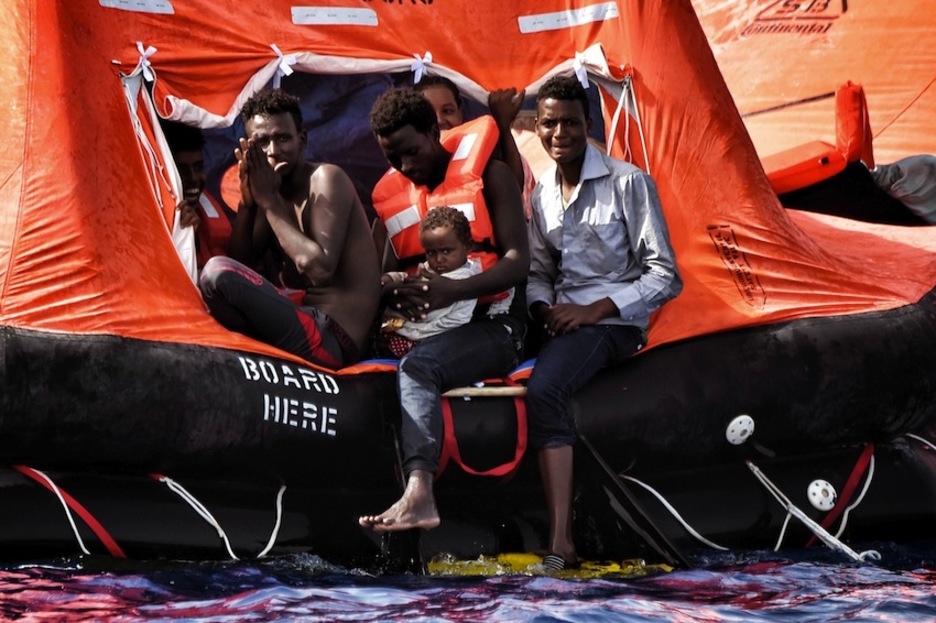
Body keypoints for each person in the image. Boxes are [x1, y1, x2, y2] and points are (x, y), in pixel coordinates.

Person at [524, 75, 683, 570]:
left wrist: (597, 310)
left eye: (570, 122)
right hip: (562, 320)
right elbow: (537, 273)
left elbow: (666, 276)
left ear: (587, 124)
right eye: (549, 123)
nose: (559, 133)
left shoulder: (628, 181)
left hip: (613, 327)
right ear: (537, 126)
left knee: (544, 391)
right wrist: (539, 310)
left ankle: (560, 541)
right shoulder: (540, 195)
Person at [359, 87, 528, 532]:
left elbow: (518, 261)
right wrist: (398, 295)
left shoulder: (492, 177)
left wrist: (457, 291)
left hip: (496, 325)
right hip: (429, 326)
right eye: (393, 158)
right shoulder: (394, 201)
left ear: (435, 132)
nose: (405, 167)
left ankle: (420, 494)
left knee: (417, 369)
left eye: (412, 152)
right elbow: (385, 277)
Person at [198, 89, 380, 368]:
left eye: (283, 138)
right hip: (302, 322)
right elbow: (242, 266)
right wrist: (249, 205)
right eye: (262, 142)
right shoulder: (270, 192)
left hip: (333, 338)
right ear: (249, 147)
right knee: (213, 282)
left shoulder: (326, 178)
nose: (274, 151)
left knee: (216, 271)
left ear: (302, 140)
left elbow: (318, 269)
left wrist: (269, 202)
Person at [416, 76, 536, 220]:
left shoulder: (486, 163)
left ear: (460, 113)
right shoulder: (408, 168)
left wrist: (503, 127)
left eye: (448, 111)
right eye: (429, 113)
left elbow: (513, 191)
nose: (439, 120)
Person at [380, 206, 482, 358]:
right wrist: (391, 278)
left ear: (467, 247)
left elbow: (448, 321)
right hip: (408, 332)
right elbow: (409, 278)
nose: (439, 259)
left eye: (447, 251)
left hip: (435, 339)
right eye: (431, 253)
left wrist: (408, 331)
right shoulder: (429, 269)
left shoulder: (466, 279)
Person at [161, 119, 237, 270]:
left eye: (198, 167)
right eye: (182, 171)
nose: (194, 178)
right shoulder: (155, 223)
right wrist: (183, 239)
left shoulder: (206, 211)